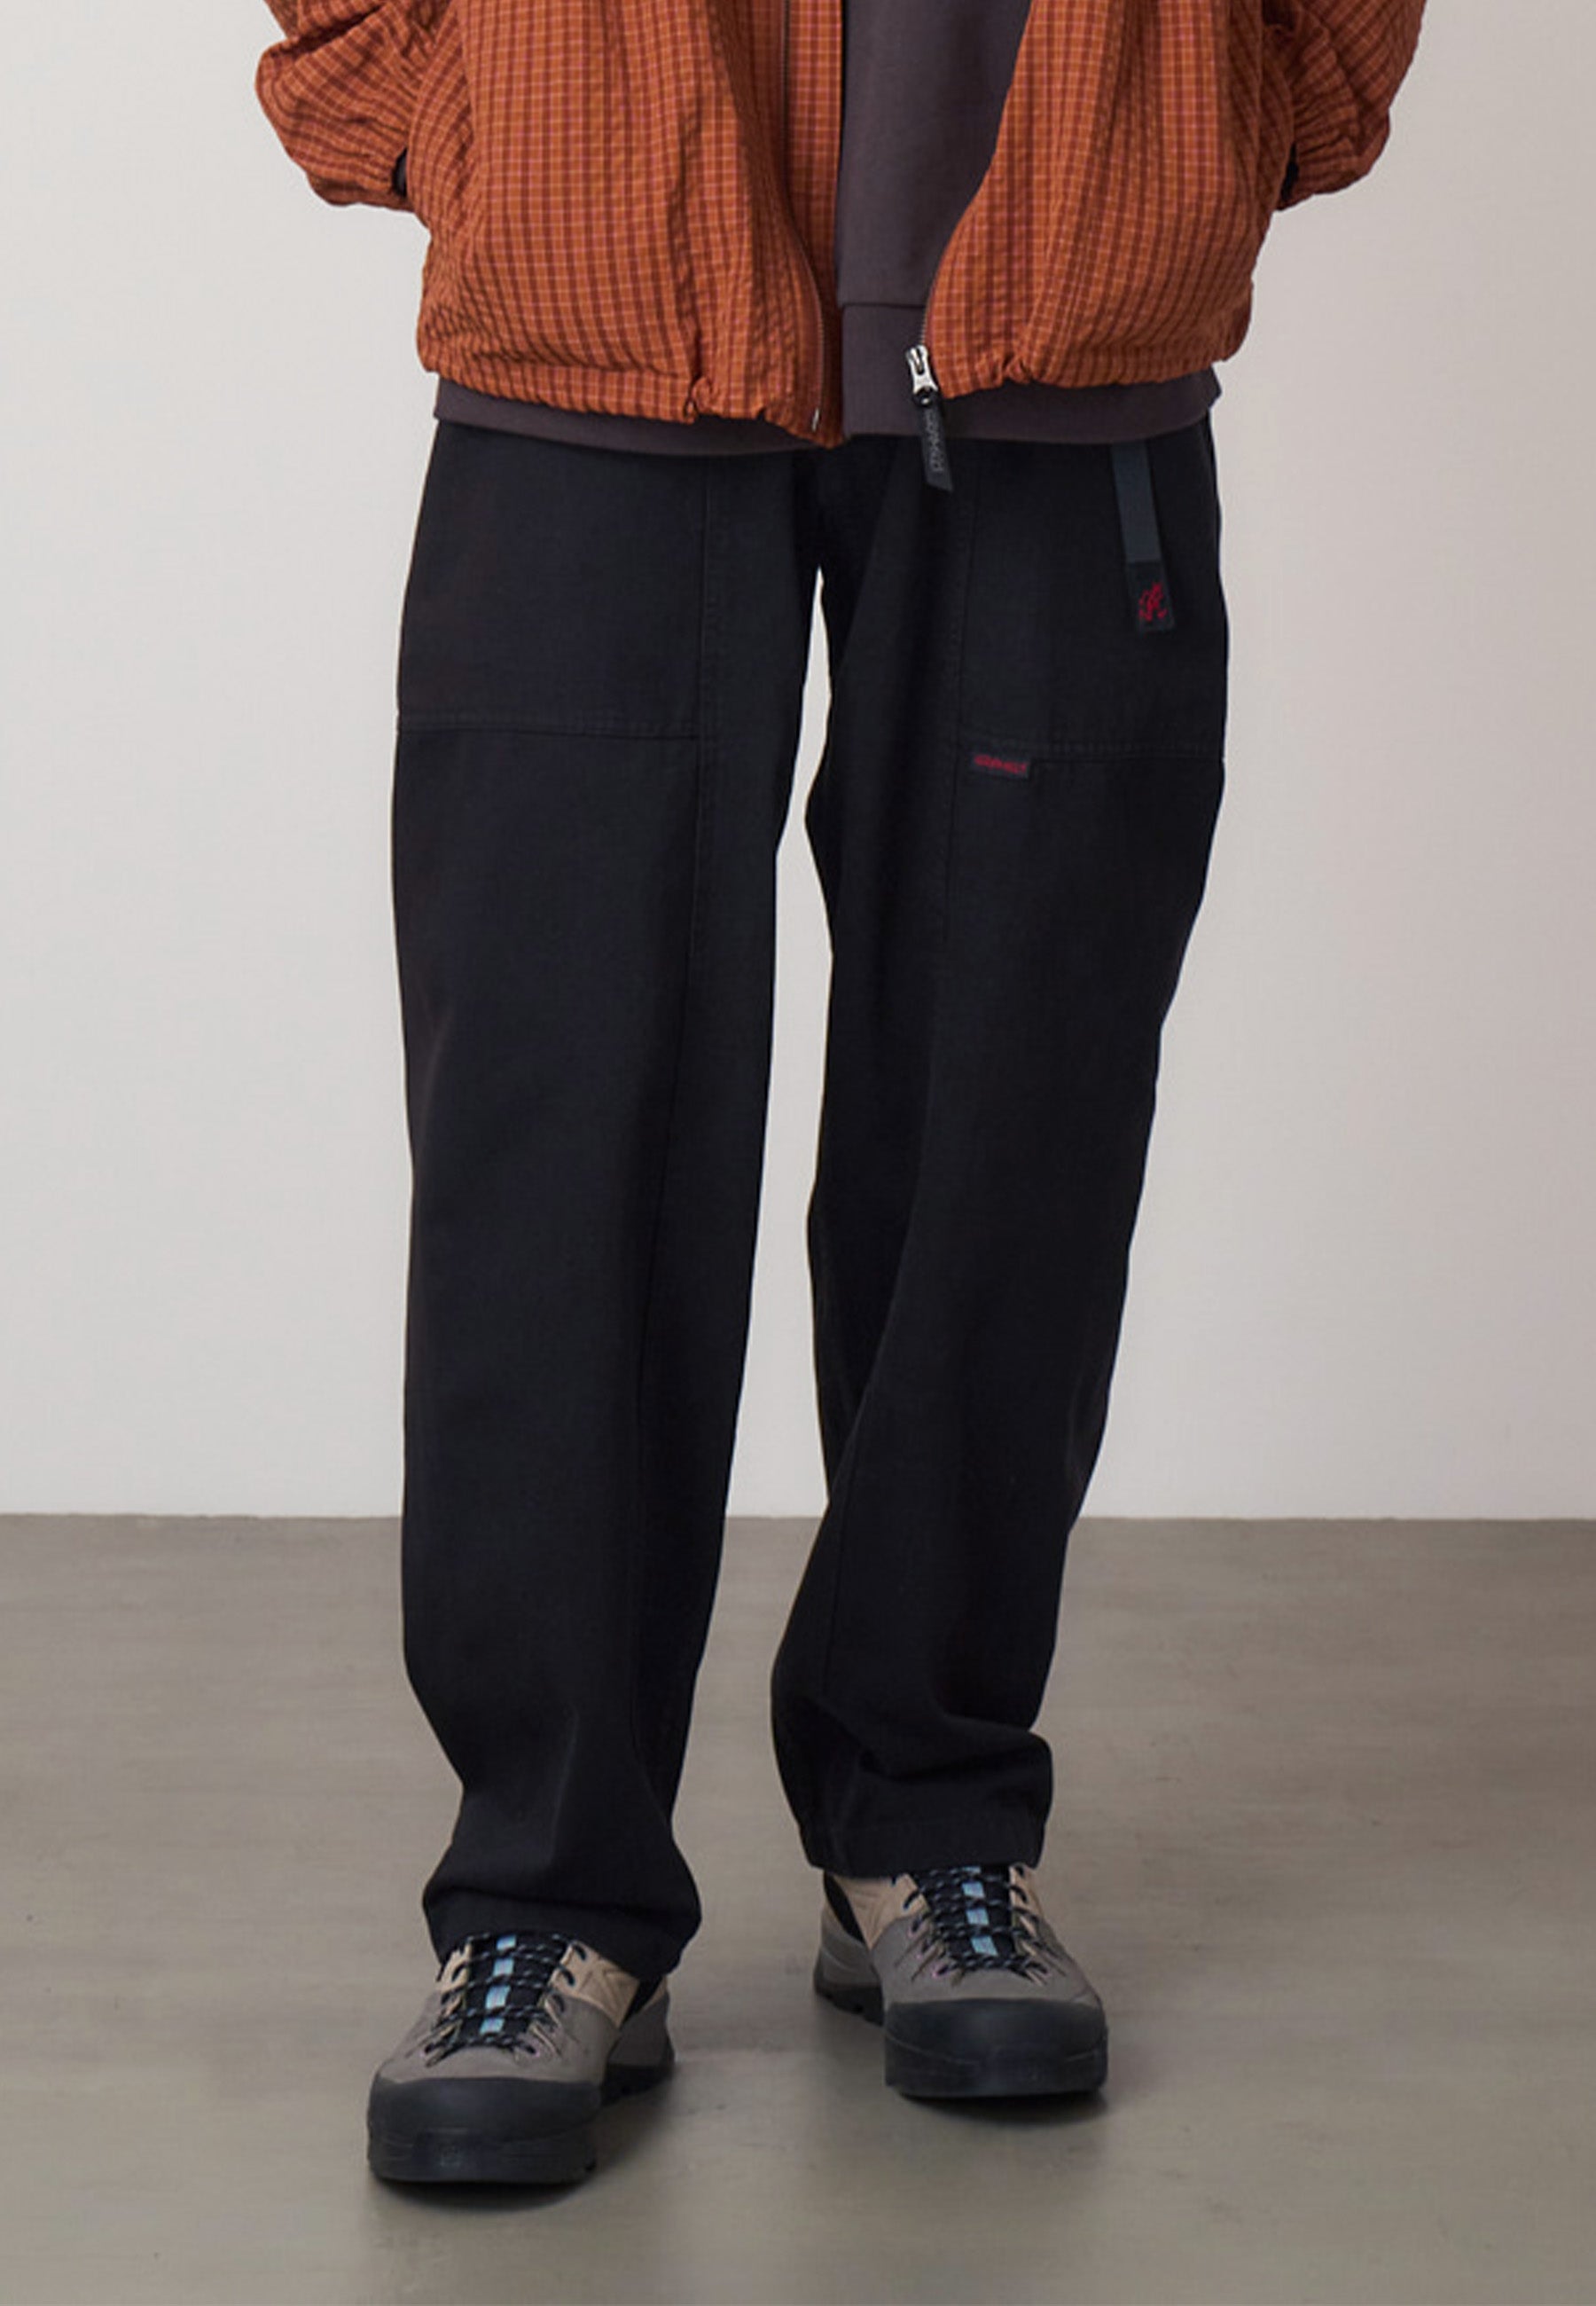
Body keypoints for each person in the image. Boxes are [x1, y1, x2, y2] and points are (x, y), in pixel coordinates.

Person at [257, 0, 1426, 2187]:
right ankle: (544, 1888)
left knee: (1014, 1117)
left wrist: (1218, 114)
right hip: (596, 301)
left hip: (1066, 310)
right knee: (555, 1131)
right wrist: (467, 110)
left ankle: (931, 1817)